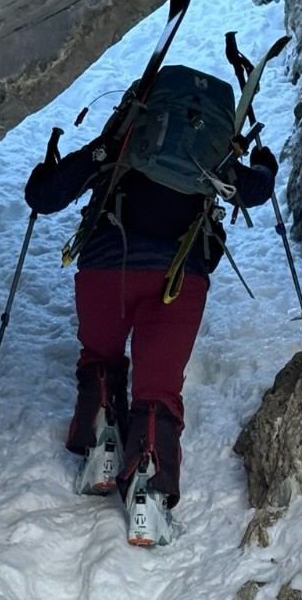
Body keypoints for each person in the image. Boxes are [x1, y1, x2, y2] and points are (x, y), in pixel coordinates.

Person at [24, 64, 278, 545]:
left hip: (106, 269)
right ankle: (148, 502)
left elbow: (44, 196)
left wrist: (49, 167)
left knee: (100, 356)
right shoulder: (213, 157)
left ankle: (102, 449)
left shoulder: (121, 142)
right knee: (158, 387)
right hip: (180, 279)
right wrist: (264, 162)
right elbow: (258, 190)